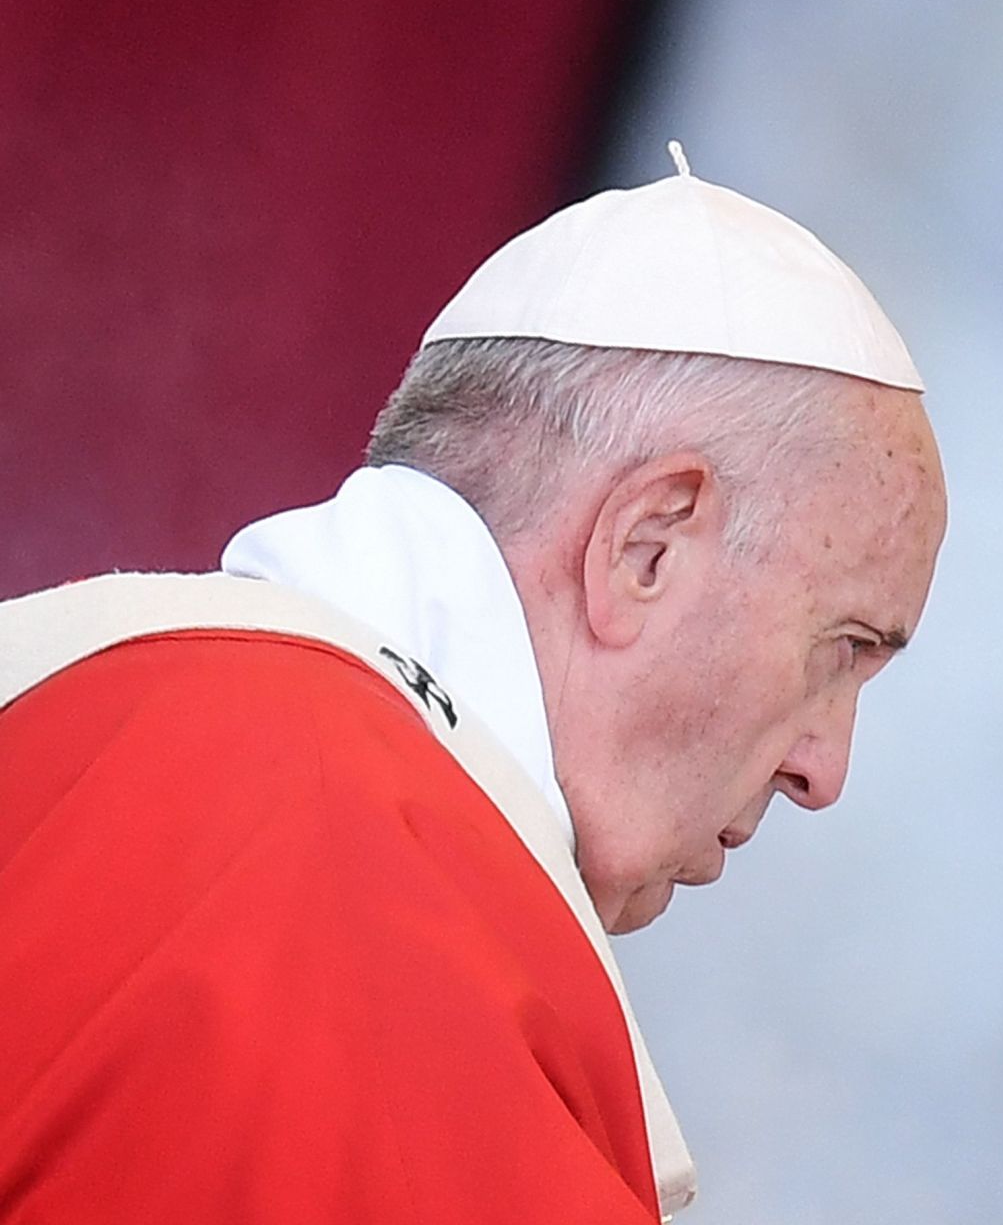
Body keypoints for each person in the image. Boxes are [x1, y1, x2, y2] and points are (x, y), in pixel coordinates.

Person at [0, 145, 948, 1223]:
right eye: (844, 647)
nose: (823, 769)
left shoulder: (56, 696)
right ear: (648, 545)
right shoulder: (389, 969)